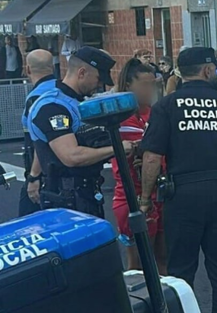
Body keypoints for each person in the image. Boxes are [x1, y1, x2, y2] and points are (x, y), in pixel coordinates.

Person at [139, 47, 217, 313]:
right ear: (206, 70)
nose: (216, 73)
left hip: (182, 195)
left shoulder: (166, 106)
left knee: (181, 270)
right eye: (215, 69)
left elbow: (152, 157)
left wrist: (145, 199)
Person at [26, 47, 117, 218]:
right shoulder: (52, 106)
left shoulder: (76, 102)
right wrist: (119, 148)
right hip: (65, 198)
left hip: (87, 193)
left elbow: (48, 143)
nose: (100, 85)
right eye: (98, 79)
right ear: (82, 72)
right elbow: (71, 156)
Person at [113, 58, 168, 274]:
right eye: (144, 84)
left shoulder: (156, 112)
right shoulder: (119, 117)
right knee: (138, 266)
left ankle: (166, 306)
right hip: (132, 196)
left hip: (161, 194)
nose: (150, 89)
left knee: (163, 259)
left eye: (152, 84)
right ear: (128, 85)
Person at [20, 49, 57, 216]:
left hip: (44, 172)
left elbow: (41, 142)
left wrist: (34, 176)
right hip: (62, 168)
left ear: (27, 69)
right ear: (53, 68)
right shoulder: (61, 90)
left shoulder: (36, 98)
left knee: (28, 223)